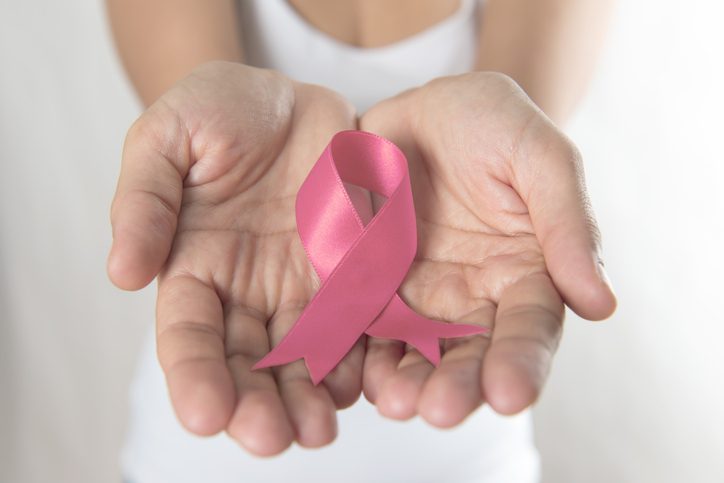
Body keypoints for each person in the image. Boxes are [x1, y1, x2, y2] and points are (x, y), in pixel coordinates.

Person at [106, 1, 616, 481]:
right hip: (205, 440)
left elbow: (518, 123)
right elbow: (197, 120)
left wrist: (492, 164)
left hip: (464, 436)